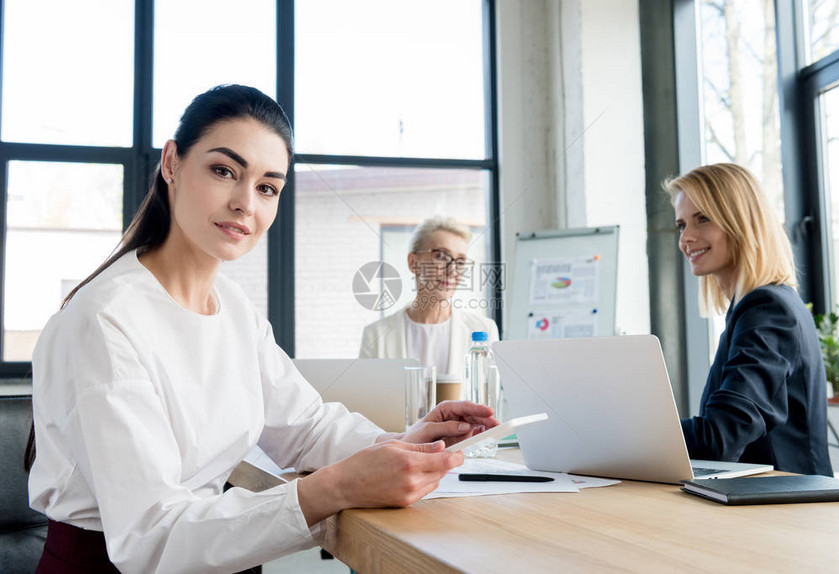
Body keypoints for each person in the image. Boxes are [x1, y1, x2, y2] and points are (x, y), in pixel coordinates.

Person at [27, 85, 497, 573]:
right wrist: (334, 487)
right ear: (171, 163)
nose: (245, 204)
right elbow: (153, 541)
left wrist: (407, 441)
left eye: (267, 187)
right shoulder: (104, 319)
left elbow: (306, 428)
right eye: (224, 171)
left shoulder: (233, 307)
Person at [666, 163, 832, 476]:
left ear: (740, 222)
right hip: (766, 502)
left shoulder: (768, 309)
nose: (686, 237)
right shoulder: (753, 306)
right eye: (681, 225)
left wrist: (630, 437)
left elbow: (720, 436)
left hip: (788, 511)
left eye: (702, 219)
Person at [359, 216, 499, 381]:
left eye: (460, 261)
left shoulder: (484, 330)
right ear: (413, 263)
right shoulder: (376, 335)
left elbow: (487, 401)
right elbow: (367, 403)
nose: (452, 270)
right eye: (441, 256)